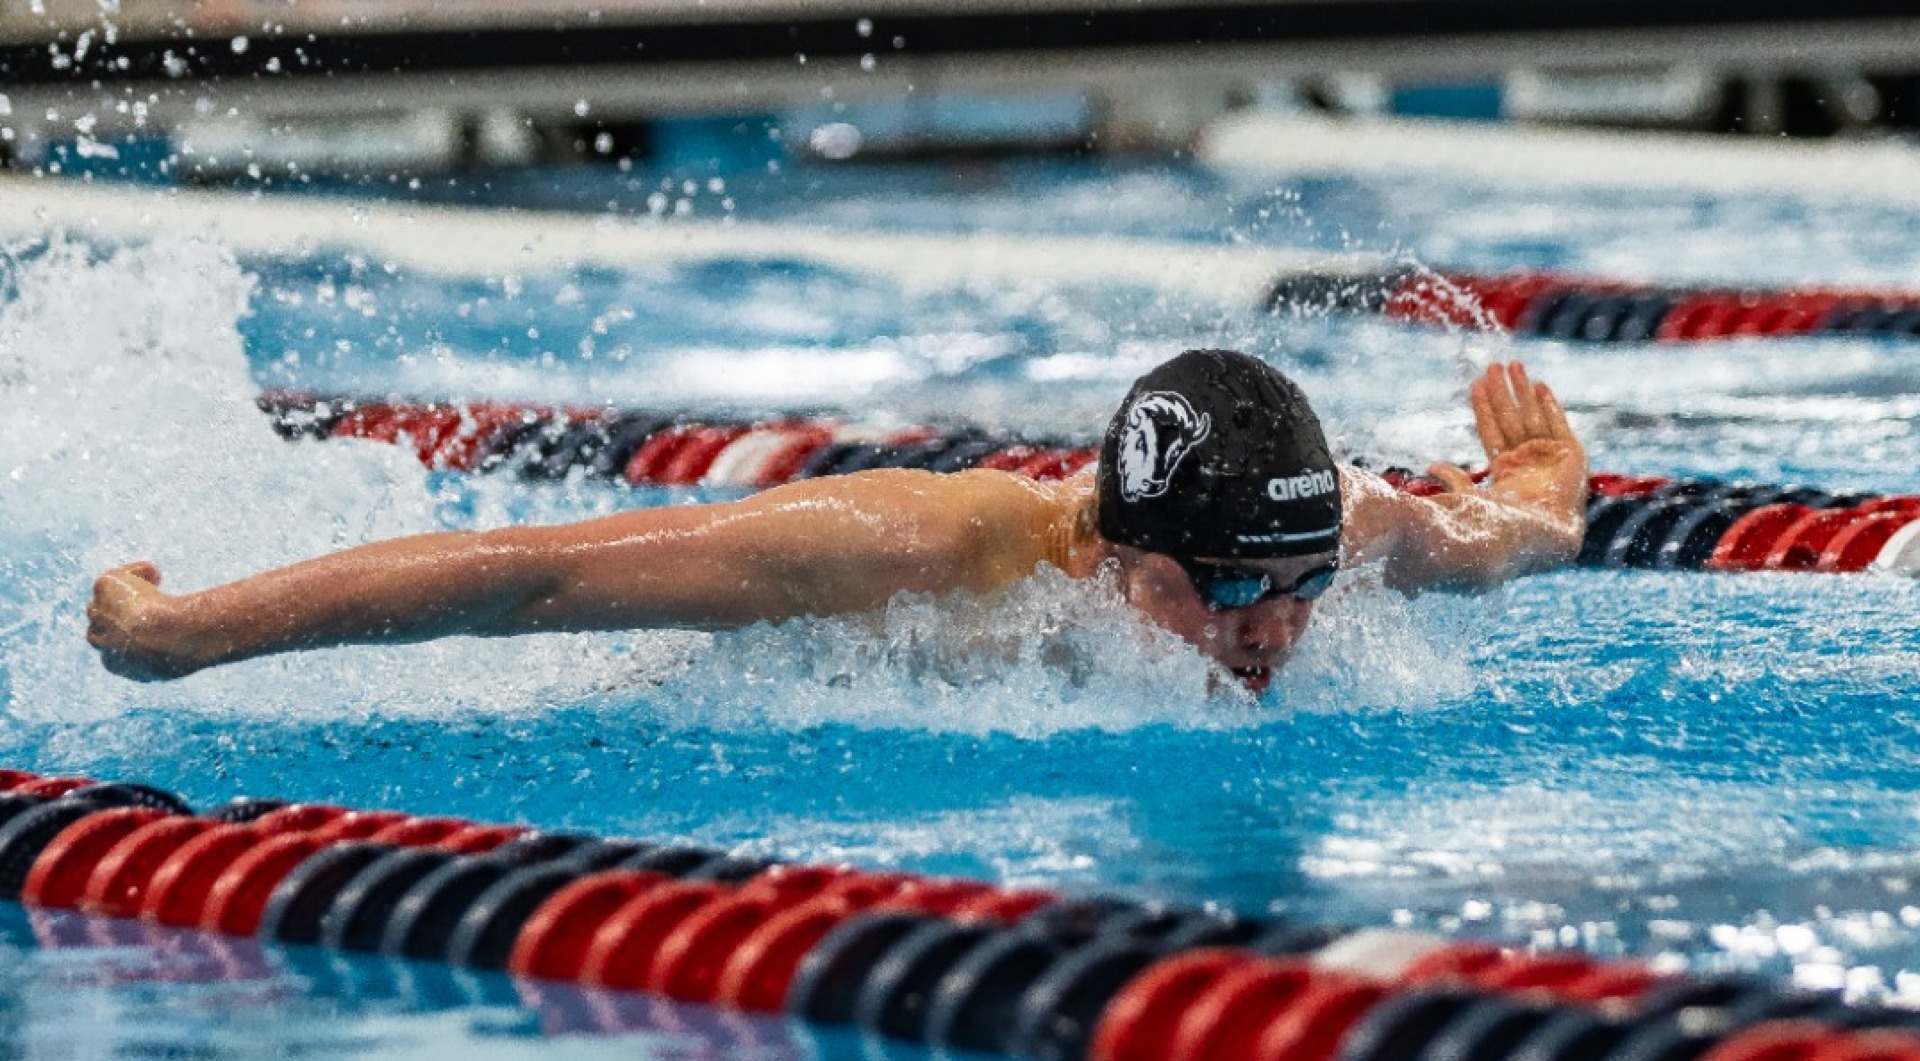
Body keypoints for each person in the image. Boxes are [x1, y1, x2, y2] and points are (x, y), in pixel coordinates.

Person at [86, 352, 1587, 686]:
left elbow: (1515, 532)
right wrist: (185, 633)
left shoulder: (1343, 526)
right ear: (1116, 553)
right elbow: (530, 576)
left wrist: (1545, 478)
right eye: (1226, 590)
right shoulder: (926, 554)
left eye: (1297, 586)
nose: (1268, 630)